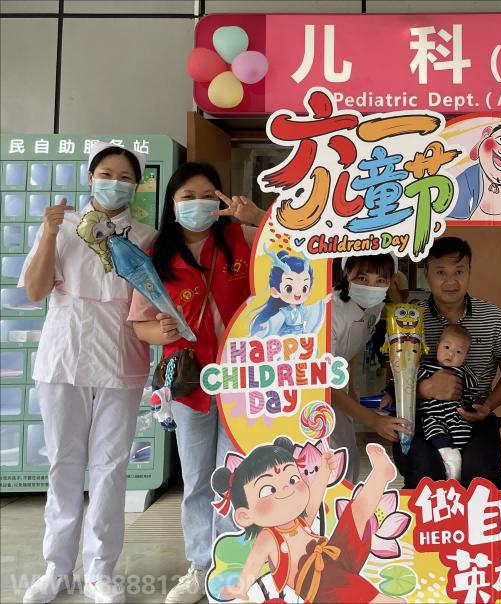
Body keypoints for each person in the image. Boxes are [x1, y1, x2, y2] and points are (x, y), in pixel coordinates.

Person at [19, 142, 155, 604]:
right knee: (63, 464)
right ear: (90, 177)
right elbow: (35, 290)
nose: (115, 182)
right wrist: (47, 233)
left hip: (121, 357)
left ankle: (100, 570)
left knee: (111, 468)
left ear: (136, 186)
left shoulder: (147, 237)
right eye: (106, 173)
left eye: (125, 177)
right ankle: (57, 567)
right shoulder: (62, 227)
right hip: (64, 357)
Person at [128, 162, 265, 604]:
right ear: (172, 204)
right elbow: (140, 324)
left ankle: (232, 567)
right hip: (189, 381)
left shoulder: (243, 239)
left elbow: (295, 249)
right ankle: (200, 565)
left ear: (222, 200)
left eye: (208, 195)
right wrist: (160, 331)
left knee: (236, 475)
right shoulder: (156, 255)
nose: (198, 204)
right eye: (187, 197)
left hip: (243, 379)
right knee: (197, 477)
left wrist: (258, 217)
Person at [212, 440, 405, 603]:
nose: (287, 488)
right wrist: (241, 587)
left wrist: (324, 471)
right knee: (349, 587)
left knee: (355, 512)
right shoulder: (268, 537)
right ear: (245, 515)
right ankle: (384, 600)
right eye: (269, 489)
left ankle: (381, 475)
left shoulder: (300, 521)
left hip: (334, 553)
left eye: (292, 479)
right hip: (318, 584)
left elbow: (314, 499)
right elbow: (253, 564)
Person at [392, 236, 501, 489]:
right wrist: (425, 389)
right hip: (422, 418)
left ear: (469, 271)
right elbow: (393, 380)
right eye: (441, 272)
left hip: (474, 417)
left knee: (481, 480)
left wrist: (488, 406)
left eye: (459, 271)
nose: (451, 281)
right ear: (427, 273)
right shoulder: (409, 320)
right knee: (425, 479)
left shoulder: (495, 318)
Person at [329, 254, 411, 484]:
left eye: (380, 280)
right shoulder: (331, 312)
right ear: (347, 274)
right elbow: (322, 386)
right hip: (313, 392)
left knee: (348, 460)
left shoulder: (375, 306)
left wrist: (352, 387)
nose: (371, 287)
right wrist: (373, 420)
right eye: (362, 278)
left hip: (338, 385)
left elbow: (354, 346)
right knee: (332, 465)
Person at [382, 325, 478, 481]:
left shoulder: (465, 373)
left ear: (466, 355)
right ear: (437, 345)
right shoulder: (424, 367)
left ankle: (453, 462)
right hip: (432, 415)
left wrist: (473, 405)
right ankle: (449, 457)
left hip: (456, 415)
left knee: (462, 433)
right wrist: (389, 394)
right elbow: (403, 381)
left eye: (458, 352)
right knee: (433, 429)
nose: (451, 354)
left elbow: (472, 393)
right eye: (446, 347)